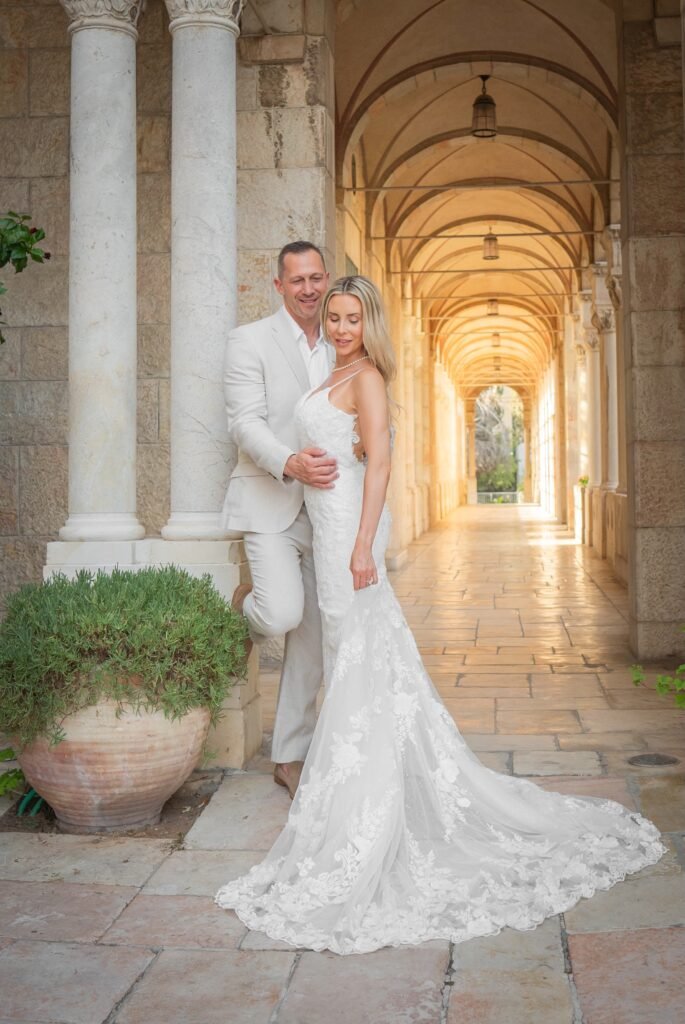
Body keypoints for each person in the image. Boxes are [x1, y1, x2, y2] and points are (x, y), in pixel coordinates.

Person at [217, 275, 665, 956]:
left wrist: (364, 545)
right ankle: (363, 789)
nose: (340, 328)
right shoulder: (332, 372)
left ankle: (366, 806)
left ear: (369, 324)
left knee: (355, 660)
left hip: (345, 536)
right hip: (322, 524)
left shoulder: (364, 377)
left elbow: (381, 463)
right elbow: (338, 450)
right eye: (333, 317)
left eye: (351, 318)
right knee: (355, 663)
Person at [222, 241, 336, 798]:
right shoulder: (250, 341)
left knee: (314, 635)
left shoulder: (344, 339)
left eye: (317, 278)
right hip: (271, 499)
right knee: (280, 614)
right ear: (279, 285)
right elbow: (244, 423)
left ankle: (289, 756)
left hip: (328, 511)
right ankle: (244, 600)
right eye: (298, 281)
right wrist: (289, 462)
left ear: (327, 278)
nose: (309, 289)